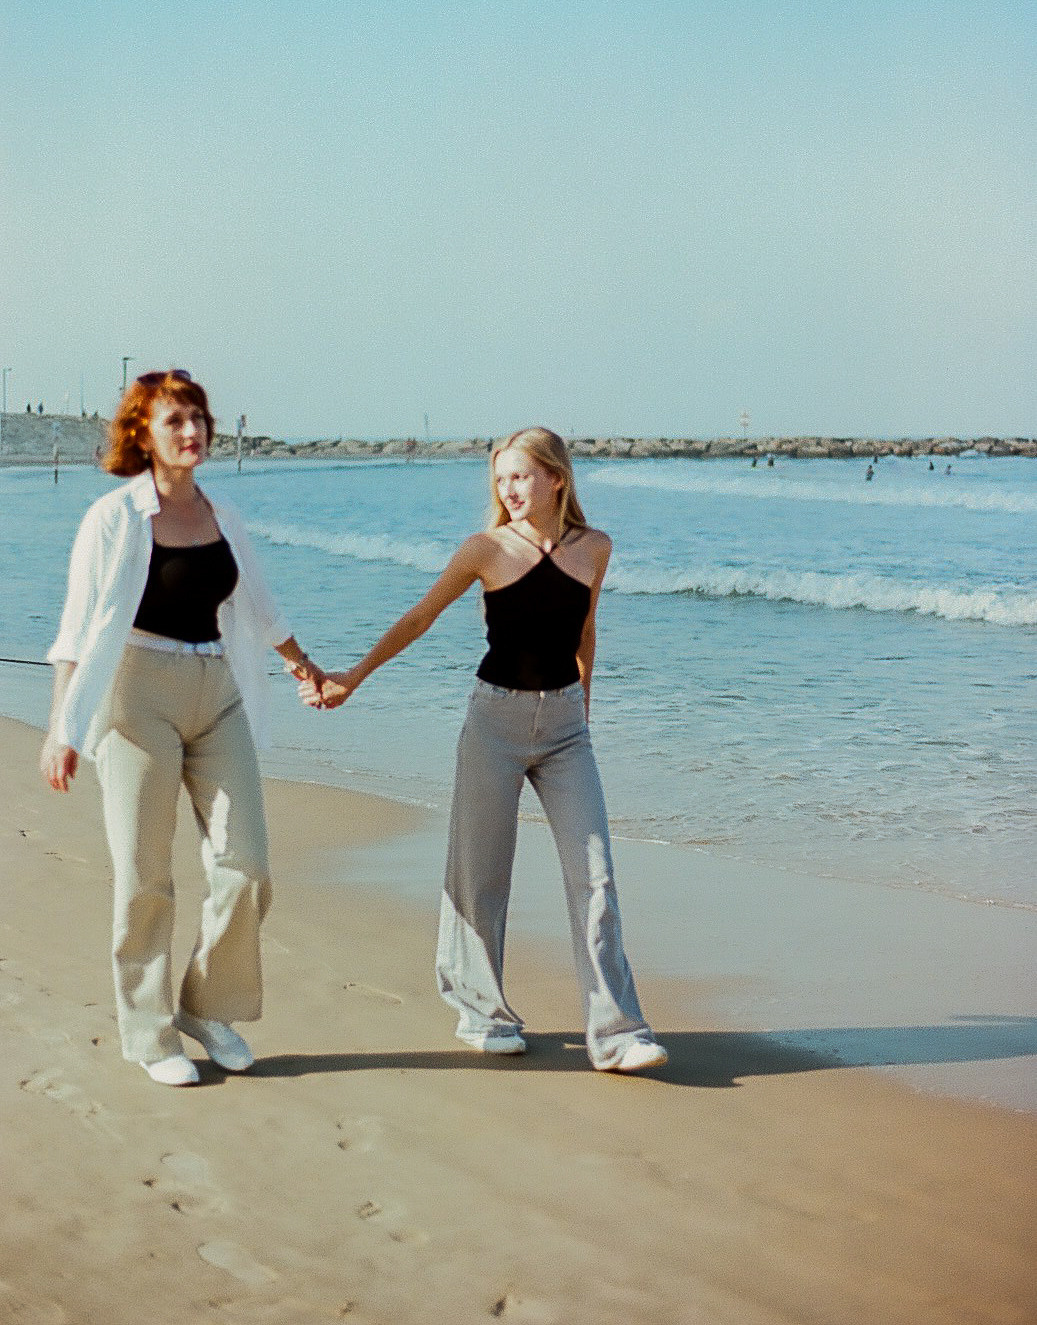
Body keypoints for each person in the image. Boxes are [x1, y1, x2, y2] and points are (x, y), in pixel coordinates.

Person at [299, 427, 667, 1074]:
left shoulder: (594, 548)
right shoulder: (486, 549)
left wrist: (582, 705)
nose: (510, 490)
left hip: (564, 731)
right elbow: (419, 617)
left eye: (521, 477)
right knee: (481, 876)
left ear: (557, 477)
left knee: (596, 876)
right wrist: (352, 677)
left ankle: (616, 1033)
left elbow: (585, 627)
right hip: (493, 722)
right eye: (501, 480)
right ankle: (483, 1014)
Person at [40, 370, 324, 1086]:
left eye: (198, 416)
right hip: (137, 696)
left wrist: (305, 668)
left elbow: (259, 606)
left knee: (246, 862)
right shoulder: (112, 517)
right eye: (175, 420)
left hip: (218, 688)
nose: (192, 430)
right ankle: (148, 1032)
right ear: (142, 433)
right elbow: (76, 629)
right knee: (145, 874)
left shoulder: (223, 511)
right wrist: (61, 727)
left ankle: (206, 1005)